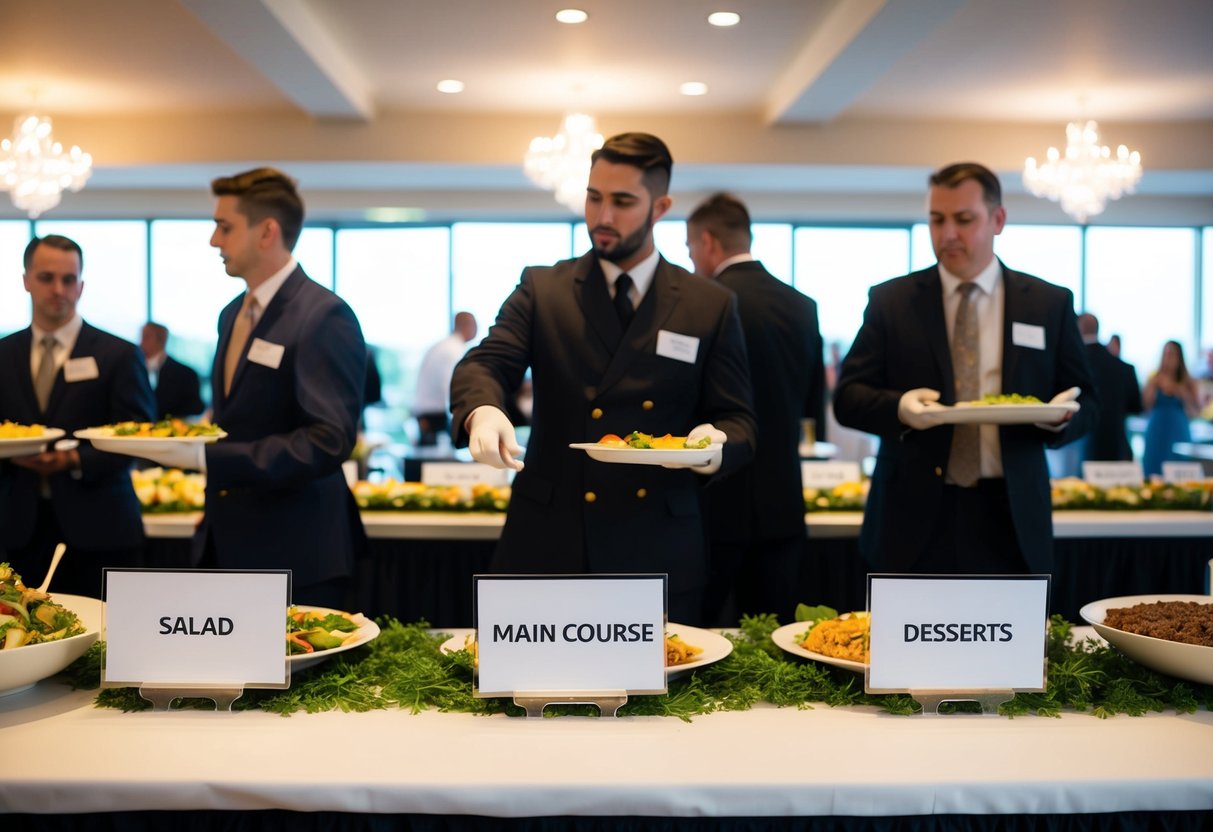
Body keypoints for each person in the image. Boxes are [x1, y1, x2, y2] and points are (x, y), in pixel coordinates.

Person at [450, 132, 756, 625]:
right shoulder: (543, 288)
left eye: (622, 201)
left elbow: (739, 418)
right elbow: (486, 362)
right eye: (594, 198)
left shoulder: (708, 302)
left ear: (661, 207)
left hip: (656, 544)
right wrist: (482, 410)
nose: (603, 216)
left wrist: (712, 446)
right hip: (549, 542)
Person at [833, 162, 1097, 576]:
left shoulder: (1047, 303)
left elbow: (1089, 400)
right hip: (913, 516)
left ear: (998, 220)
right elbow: (848, 398)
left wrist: (1058, 420)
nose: (948, 233)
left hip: (1012, 517)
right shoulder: (892, 301)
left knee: (1012, 641)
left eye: (963, 219)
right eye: (937, 220)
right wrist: (901, 407)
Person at [135, 168, 368, 607]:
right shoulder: (231, 314)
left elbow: (329, 440)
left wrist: (210, 459)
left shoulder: (322, 315)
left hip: (296, 550)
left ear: (266, 232)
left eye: (224, 227)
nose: (213, 240)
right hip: (226, 542)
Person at [686, 192, 824, 625]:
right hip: (782, 496)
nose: (691, 260)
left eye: (690, 249)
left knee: (696, 633)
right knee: (774, 639)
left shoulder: (703, 301)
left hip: (713, 497)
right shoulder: (802, 306)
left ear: (707, 242)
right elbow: (812, 405)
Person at [0, 235, 156, 597]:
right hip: (17, 527)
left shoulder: (118, 354)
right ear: (26, 280)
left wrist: (73, 458)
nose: (59, 289)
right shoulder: (3, 353)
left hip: (102, 527)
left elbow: (138, 437)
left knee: (109, 643)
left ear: (81, 285)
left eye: (68, 280)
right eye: (46, 278)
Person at [1077, 313, 1141, 463]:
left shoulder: (1077, 364)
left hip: (1083, 443)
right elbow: (1136, 407)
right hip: (1117, 443)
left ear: (1079, 328)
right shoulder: (1124, 368)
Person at [413, 312, 477, 446]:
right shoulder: (455, 349)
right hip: (435, 416)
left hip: (427, 413)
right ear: (469, 326)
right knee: (436, 464)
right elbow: (453, 386)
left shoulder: (441, 346)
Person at [1142, 340, 1199, 477]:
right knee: (1153, 469)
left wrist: (1177, 390)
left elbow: (1195, 411)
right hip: (1157, 429)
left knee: (1177, 467)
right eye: (1166, 354)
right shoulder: (1154, 378)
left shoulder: (1188, 381)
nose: (1169, 358)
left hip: (1177, 430)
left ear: (1180, 357)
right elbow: (1145, 405)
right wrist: (1154, 385)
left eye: (1172, 354)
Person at [140, 321, 205, 419]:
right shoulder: (131, 369)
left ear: (161, 339)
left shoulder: (186, 374)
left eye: (146, 337)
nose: (141, 342)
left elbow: (195, 409)